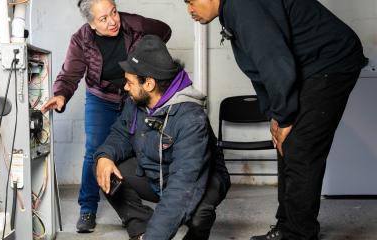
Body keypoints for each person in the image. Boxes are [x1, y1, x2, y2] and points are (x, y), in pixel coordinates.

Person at [183, 0, 367, 239]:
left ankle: (299, 233)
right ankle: (286, 227)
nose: (190, 10)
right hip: (307, 66)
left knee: (300, 147)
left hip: (330, 61)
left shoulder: (242, 6)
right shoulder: (232, 12)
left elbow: (275, 62)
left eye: (190, 1)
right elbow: (260, 69)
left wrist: (285, 117)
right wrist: (275, 115)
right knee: (286, 145)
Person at [40, 0, 172, 233]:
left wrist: (150, 56)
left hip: (134, 97)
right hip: (101, 98)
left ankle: (131, 211)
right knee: (95, 151)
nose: (112, 21)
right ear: (91, 24)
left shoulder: (135, 24)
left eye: (114, 12)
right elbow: (70, 73)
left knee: (137, 147)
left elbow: (165, 31)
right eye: (103, 18)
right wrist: (60, 95)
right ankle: (88, 208)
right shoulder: (81, 39)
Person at [94, 35, 231, 240]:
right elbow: (120, 134)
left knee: (198, 215)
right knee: (103, 168)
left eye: (129, 82)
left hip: (197, 179)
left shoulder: (191, 119)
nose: (125, 87)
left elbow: (183, 186)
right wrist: (104, 156)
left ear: (149, 84)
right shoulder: (136, 101)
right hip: (156, 173)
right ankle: (141, 228)